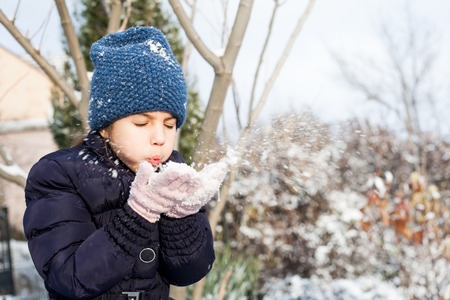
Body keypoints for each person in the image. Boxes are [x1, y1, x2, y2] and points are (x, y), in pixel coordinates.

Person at [23, 26, 227, 299]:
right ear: (105, 127)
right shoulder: (58, 174)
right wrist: (138, 215)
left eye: (169, 125)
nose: (159, 138)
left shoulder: (172, 172)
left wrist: (183, 215)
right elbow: (69, 277)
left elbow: (189, 273)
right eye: (142, 123)